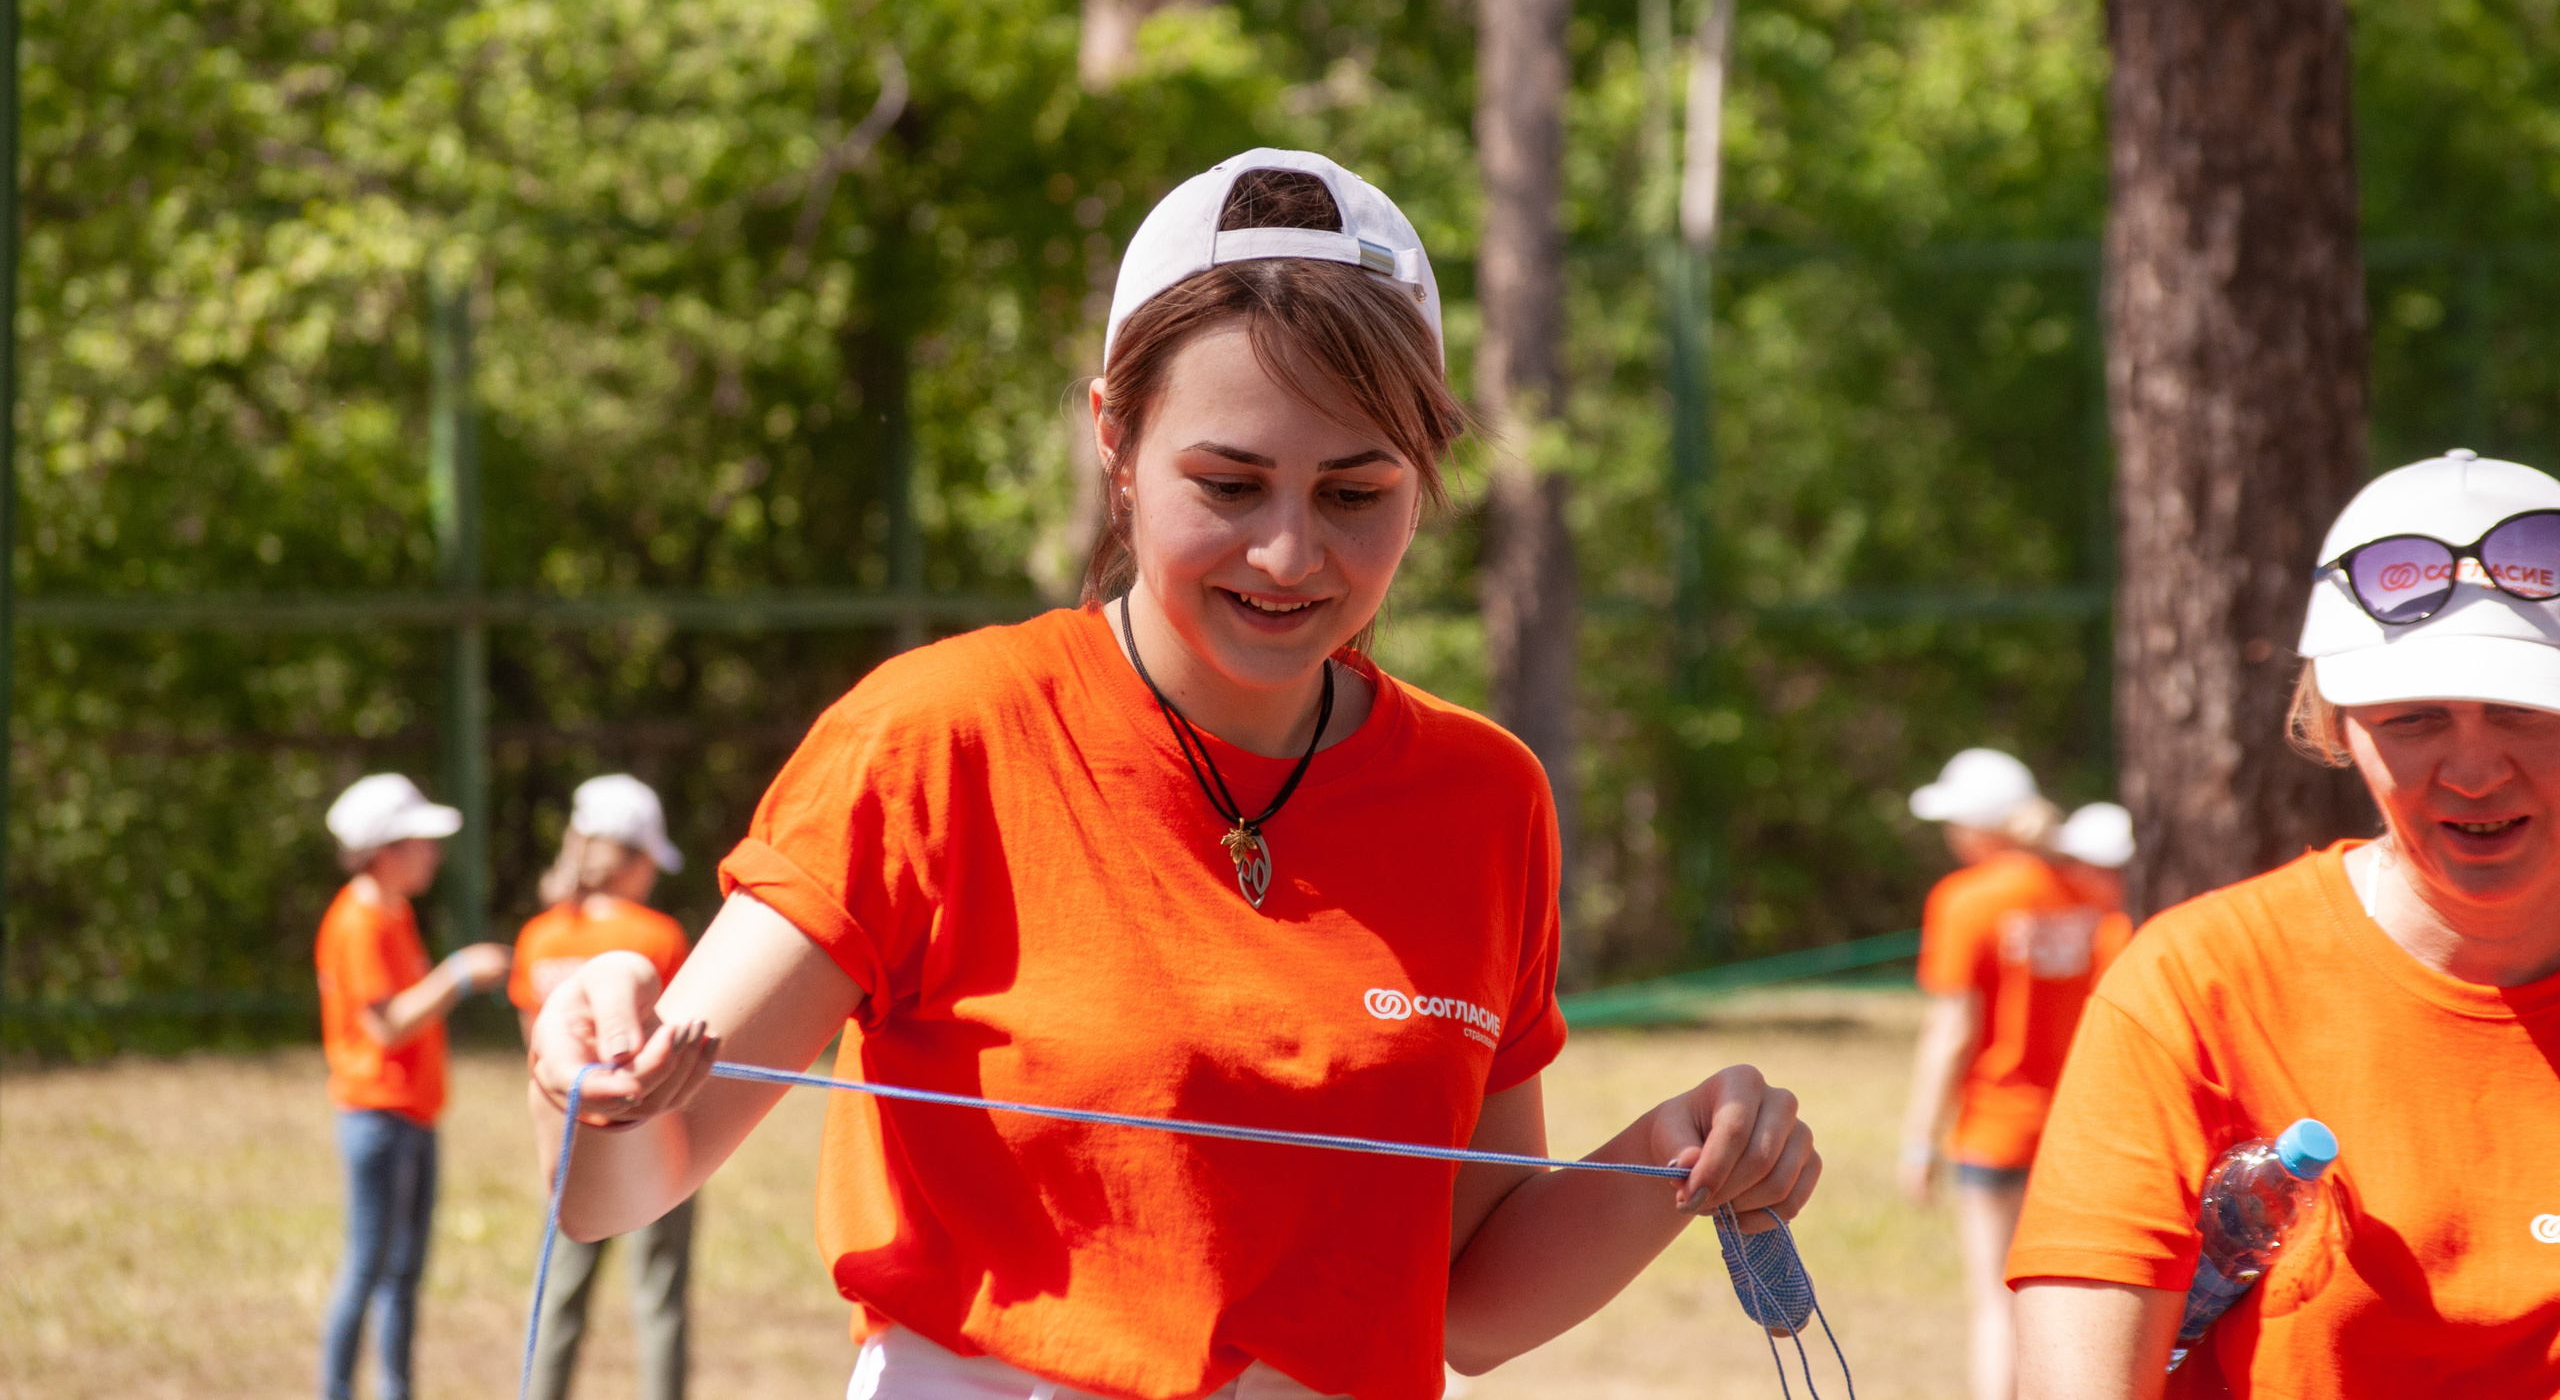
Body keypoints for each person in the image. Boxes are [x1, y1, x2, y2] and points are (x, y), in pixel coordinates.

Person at [523, 149, 1823, 1400]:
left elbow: (1465, 1302)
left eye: (1356, 493)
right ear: (1116, 437)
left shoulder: (1486, 797)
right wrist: (590, 1056)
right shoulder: (937, 737)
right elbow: (622, 1177)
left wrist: (1674, 1150)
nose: (1287, 552)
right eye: (1231, 481)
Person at [2011, 448, 2560, 1398]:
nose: (2474, 770)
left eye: (2526, 709)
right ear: (2334, 723)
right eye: (2414, 718)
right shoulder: (2199, 982)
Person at [1900, 750, 2130, 1400]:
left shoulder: (1965, 899)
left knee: (1995, 1303)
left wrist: (1920, 1138)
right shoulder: (2090, 893)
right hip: (2077, 1130)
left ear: (1983, 827)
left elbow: (1952, 1031)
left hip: (1995, 1129)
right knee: (2064, 1305)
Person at [315, 772, 512, 1400]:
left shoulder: (391, 913)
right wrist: (459, 974)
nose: (432, 852)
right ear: (383, 851)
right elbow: (387, 1024)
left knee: (403, 1273)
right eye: (419, 841)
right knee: (369, 1267)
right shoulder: (360, 922)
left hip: (412, 1116)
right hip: (378, 1118)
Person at [513, 775, 696, 1400]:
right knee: (660, 1298)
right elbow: (681, 1048)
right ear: (635, 860)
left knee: (560, 1294)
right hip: (656, 1141)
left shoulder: (539, 937)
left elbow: (537, 1050)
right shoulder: (660, 936)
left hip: (571, 1140)